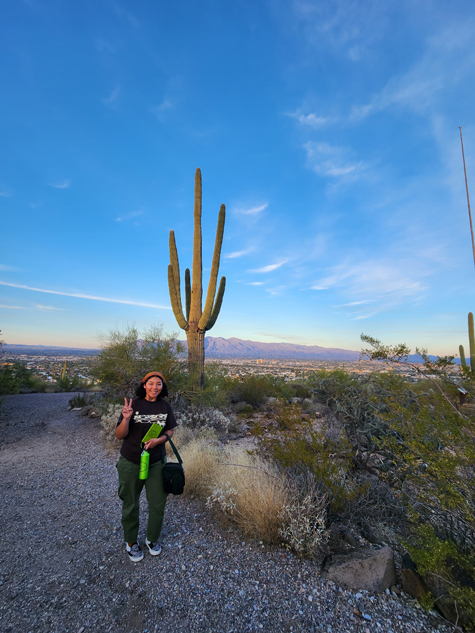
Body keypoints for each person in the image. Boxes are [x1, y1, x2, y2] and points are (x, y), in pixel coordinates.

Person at [116, 371, 177, 562]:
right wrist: (126, 418)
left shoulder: (165, 406)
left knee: (158, 502)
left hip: (156, 462)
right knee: (130, 502)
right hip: (131, 460)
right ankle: (131, 542)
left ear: (162, 386)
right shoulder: (133, 405)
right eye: (151, 383)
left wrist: (158, 440)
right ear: (144, 385)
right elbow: (119, 435)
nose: (154, 387)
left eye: (158, 384)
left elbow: (170, 431)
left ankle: (152, 538)